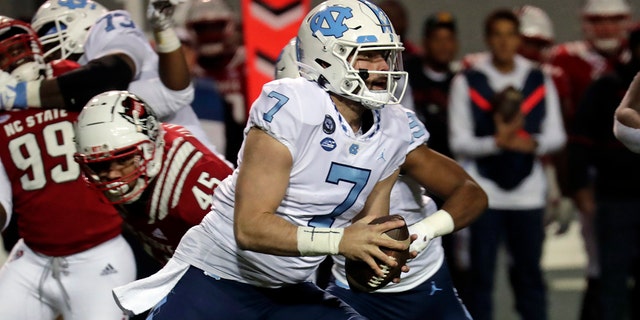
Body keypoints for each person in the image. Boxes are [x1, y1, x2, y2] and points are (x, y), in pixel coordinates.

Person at [112, 1, 423, 318]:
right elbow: (251, 229)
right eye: (368, 56)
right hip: (218, 278)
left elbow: (364, 236)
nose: (383, 67)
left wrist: (377, 262)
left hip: (288, 289)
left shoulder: (394, 127)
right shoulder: (294, 107)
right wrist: (342, 241)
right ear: (327, 58)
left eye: (385, 55)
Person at [276, 33, 487, 320]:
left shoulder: (388, 128)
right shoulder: (280, 148)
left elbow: (470, 192)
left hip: (425, 284)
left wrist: (421, 233)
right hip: (354, 286)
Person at [0, 16, 135, 320]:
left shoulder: (70, 79)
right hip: (34, 257)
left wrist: (19, 95)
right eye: (2, 56)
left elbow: (112, 76)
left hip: (99, 254)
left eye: (17, 48)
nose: (14, 60)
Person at [448, 9, 566, 320]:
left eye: (510, 34)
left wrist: (530, 143)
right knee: (480, 279)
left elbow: (556, 136)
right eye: (497, 35)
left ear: (518, 38)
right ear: (488, 39)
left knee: (530, 278)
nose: (504, 42)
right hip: (484, 195)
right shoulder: (468, 80)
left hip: (528, 194)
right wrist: (496, 143)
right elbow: (459, 142)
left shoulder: (538, 78)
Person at [0, 0, 219, 157]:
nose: (44, 49)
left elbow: (110, 75)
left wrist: (17, 94)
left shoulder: (111, 26)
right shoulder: (77, 91)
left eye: (46, 33)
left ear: (77, 23)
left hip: (195, 172)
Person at [73, 90, 234, 264]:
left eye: (124, 159)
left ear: (151, 145)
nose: (112, 174)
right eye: (100, 165)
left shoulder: (193, 181)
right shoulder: (134, 175)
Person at [548, 1, 632, 317]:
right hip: (585, 167)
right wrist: (564, 180)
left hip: (625, 173)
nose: (607, 28)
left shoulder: (630, 60)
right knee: (600, 258)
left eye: (614, 20)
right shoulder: (564, 60)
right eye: (599, 21)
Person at [570, 27, 640, 320]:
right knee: (612, 279)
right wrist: (580, 188)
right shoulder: (606, 87)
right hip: (616, 199)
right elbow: (583, 142)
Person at [185, 0, 246, 165]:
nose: (210, 34)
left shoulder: (248, 64)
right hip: (208, 149)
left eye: (215, 27)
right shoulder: (187, 68)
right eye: (203, 28)